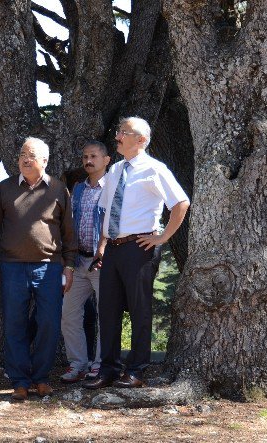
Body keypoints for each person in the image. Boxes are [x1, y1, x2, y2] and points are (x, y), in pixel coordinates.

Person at [83, 117, 190, 390]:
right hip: (113, 250)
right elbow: (107, 213)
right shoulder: (115, 170)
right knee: (107, 311)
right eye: (118, 131)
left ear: (141, 140)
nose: (117, 136)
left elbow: (180, 203)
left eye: (124, 133)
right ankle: (108, 370)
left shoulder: (155, 169)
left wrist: (162, 237)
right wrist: (102, 249)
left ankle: (137, 370)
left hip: (139, 249)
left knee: (140, 311)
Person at [0, 137, 77, 401]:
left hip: (49, 268)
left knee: (48, 324)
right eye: (22, 155)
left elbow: (68, 233)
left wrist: (70, 266)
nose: (26, 159)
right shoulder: (4, 189)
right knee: (15, 325)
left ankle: (40, 378)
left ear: (45, 161)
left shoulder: (59, 189)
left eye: (32, 155)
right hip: (12, 267)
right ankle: (19, 381)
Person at [60, 140, 110, 383]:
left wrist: (104, 247)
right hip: (78, 261)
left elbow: (115, 222)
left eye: (94, 156)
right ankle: (78, 363)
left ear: (106, 160)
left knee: (105, 316)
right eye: (85, 157)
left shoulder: (113, 187)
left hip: (102, 263)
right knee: (68, 314)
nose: (88, 161)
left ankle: (100, 365)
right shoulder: (78, 188)